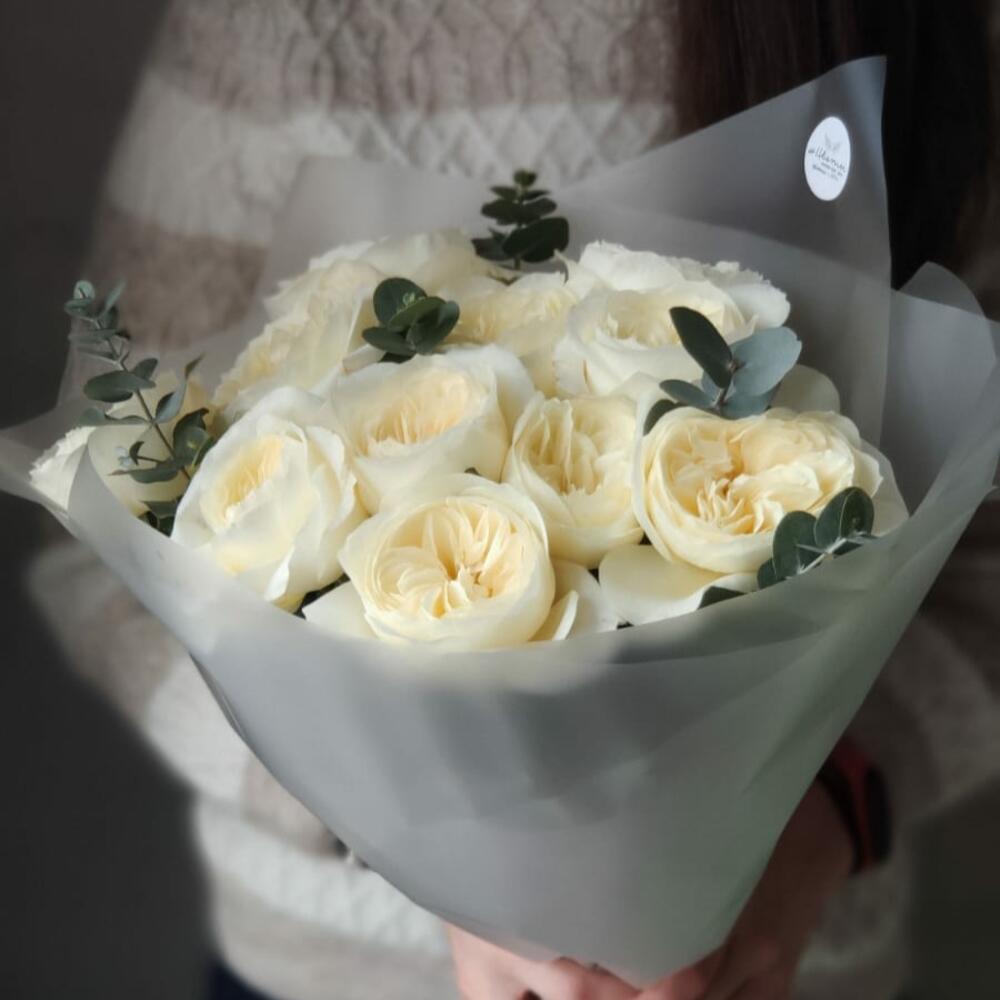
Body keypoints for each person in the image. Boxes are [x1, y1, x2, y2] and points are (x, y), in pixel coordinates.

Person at [33, 2, 1000, 999]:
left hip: (783, 967)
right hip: (339, 970)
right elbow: (105, 548)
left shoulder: (902, 15)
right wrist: (409, 838)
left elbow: (985, 546)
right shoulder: (282, 26)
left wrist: (831, 811)